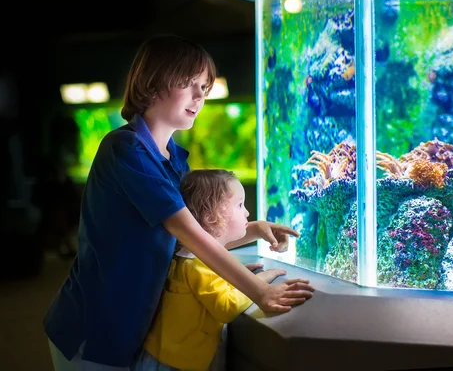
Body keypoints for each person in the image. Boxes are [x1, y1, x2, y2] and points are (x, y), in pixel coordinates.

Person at [43, 35, 314, 371]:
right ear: (154, 82)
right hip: (92, 324)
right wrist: (261, 292)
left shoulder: (174, 161)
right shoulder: (126, 149)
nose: (200, 96)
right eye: (190, 84)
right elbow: (188, 233)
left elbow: (180, 242)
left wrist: (253, 230)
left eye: (204, 87)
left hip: (133, 323)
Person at [134, 169, 287, 371]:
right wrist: (261, 280)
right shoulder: (197, 264)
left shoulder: (190, 257)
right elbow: (226, 306)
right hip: (174, 363)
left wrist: (233, 277)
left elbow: (206, 292)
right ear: (211, 216)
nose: (247, 212)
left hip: (165, 357)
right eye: (240, 205)